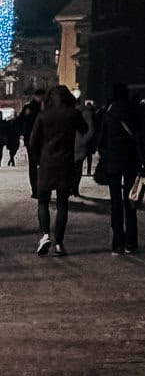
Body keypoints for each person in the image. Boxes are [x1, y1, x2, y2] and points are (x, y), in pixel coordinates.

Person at [28, 85, 88, 257]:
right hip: (65, 163)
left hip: (47, 163)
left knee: (43, 202)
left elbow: (32, 142)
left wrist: (39, 159)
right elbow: (84, 129)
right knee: (62, 204)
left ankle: (45, 234)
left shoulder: (43, 116)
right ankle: (59, 243)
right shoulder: (73, 114)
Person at [94, 82, 145, 256]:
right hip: (131, 161)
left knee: (115, 202)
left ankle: (117, 242)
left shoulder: (108, 113)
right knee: (130, 201)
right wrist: (142, 161)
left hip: (113, 162)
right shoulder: (134, 111)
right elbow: (141, 136)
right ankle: (131, 242)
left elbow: (100, 140)